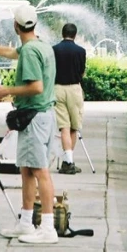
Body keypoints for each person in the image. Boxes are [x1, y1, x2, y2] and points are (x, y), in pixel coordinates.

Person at [0, 4, 58, 244]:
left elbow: (36, 86)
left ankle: (48, 228)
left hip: (34, 116)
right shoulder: (41, 46)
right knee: (27, 170)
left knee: (40, 171)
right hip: (43, 115)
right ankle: (26, 223)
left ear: (15, 26)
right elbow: (10, 53)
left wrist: (5, 90)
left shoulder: (30, 52)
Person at [52, 23, 87, 175]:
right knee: (74, 127)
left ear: (62, 33)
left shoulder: (54, 50)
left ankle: (69, 162)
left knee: (64, 127)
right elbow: (82, 72)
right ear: (75, 35)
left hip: (58, 89)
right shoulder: (81, 51)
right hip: (74, 88)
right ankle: (69, 162)